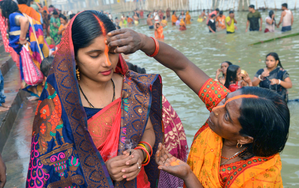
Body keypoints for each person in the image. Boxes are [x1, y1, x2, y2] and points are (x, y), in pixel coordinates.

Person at [107, 28, 289, 188]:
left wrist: (187, 175)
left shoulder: (259, 177)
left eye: (226, 117)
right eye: (224, 99)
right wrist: (143, 41)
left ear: (246, 138)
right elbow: (183, 66)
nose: (216, 109)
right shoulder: (226, 105)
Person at [26, 10, 163, 187]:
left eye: (113, 52)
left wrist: (140, 153)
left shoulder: (132, 87)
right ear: (73, 55)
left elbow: (148, 131)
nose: (107, 62)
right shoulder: (58, 102)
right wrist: (103, 170)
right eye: (94, 55)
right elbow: (50, 168)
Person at [1, 0, 49, 98]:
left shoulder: (12, 16)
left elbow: (25, 21)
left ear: (5, 9)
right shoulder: (14, 15)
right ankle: (39, 94)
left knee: (34, 70)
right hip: (27, 49)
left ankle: (42, 94)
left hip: (27, 49)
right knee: (35, 70)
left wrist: (22, 38)